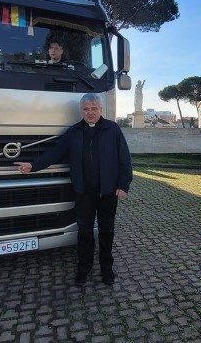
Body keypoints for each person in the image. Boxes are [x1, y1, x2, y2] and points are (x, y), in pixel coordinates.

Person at [14, 94, 133, 286]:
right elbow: (55, 152)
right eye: (86, 109)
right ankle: (84, 269)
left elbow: (124, 158)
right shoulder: (74, 132)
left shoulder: (113, 129)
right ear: (81, 111)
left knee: (106, 231)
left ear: (101, 109)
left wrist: (123, 184)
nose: (90, 112)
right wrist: (33, 165)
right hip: (83, 192)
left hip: (108, 191)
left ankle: (106, 268)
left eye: (94, 108)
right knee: (84, 232)